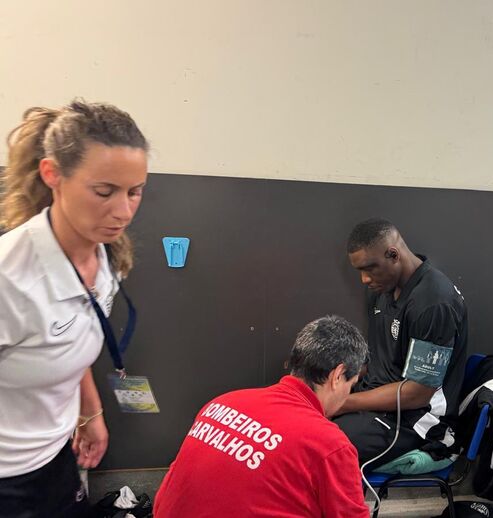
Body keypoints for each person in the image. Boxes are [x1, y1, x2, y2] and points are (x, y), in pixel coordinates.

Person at [0, 101, 149, 516]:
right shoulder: (10, 279)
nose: (123, 212)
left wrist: (90, 412)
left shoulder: (106, 256)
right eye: (104, 192)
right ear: (52, 175)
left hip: (57, 457)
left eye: (134, 191)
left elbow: (70, 336)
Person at [154, 315, 370, 518]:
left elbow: (166, 497)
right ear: (337, 375)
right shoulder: (329, 444)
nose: (348, 393)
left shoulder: (220, 403)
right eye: (351, 384)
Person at [335, 218, 468, 469]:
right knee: (299, 424)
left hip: (416, 420)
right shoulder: (380, 288)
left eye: (369, 268)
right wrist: (333, 386)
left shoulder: (434, 302)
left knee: (325, 446)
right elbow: (376, 359)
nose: (364, 279)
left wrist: (342, 403)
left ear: (393, 255)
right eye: (360, 271)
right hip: (376, 403)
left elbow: (418, 393)